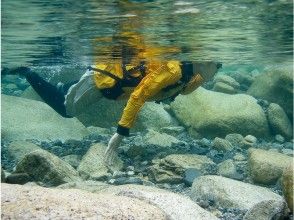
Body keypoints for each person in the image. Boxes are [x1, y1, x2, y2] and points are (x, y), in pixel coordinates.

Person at [2, 60, 221, 166]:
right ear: (203, 60)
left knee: (66, 93)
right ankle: (27, 72)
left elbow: (184, 91)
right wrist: (120, 132)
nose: (218, 69)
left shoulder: (190, 73)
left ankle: (62, 85)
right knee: (66, 109)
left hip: (111, 87)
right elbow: (138, 96)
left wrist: (204, 76)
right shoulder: (173, 70)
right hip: (101, 79)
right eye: (217, 65)